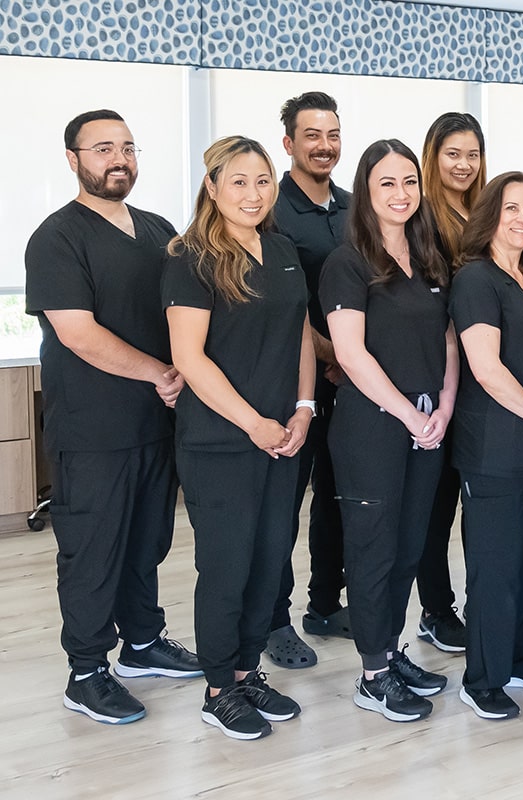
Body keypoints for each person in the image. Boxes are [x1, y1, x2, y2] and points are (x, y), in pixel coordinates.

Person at [25, 109, 201, 726]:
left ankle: (143, 643)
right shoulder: (56, 238)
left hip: (157, 423)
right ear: (72, 159)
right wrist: (160, 373)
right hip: (93, 430)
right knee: (93, 550)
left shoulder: (159, 231)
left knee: (146, 542)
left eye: (127, 147)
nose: (118, 158)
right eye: (102, 148)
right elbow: (77, 333)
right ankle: (87, 671)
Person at [164, 135, 314, 740]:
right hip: (221, 443)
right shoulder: (190, 257)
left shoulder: (281, 248)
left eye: (263, 181)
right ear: (212, 186)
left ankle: (248, 672)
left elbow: (301, 332)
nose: (254, 194)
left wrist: (303, 409)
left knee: (269, 560)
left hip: (283, 436)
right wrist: (254, 423)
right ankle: (218, 688)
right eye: (239, 182)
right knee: (227, 567)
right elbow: (189, 358)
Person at [322, 139, 456, 722]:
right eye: (386, 183)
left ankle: (392, 652)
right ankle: (373, 675)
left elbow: (448, 338)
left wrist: (443, 407)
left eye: (409, 182)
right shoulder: (347, 263)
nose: (401, 194)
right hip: (373, 428)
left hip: (428, 425)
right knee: (374, 550)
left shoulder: (429, 257)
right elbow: (350, 354)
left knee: (408, 547)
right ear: (365, 192)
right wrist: (410, 414)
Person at [450, 172, 523, 720]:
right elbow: (486, 368)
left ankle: (522, 659)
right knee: (494, 565)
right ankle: (483, 678)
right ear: (490, 216)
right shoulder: (476, 279)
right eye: (511, 208)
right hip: (493, 446)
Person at [266, 91, 353, 670]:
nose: (324, 146)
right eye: (312, 136)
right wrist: (331, 354)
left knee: (338, 495)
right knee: (283, 503)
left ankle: (324, 604)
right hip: (294, 380)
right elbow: (283, 304)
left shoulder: (354, 207)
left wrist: (355, 362)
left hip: (353, 380)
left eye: (332, 135)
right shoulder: (269, 207)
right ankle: (273, 620)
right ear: (289, 143)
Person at [414, 111, 487, 654]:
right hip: (440, 374)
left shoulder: (484, 213)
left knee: (471, 500)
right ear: (432, 157)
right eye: (452, 154)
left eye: (472, 154)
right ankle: (436, 609)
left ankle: (477, 603)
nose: (463, 165)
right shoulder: (421, 216)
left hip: (483, 375)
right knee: (435, 502)